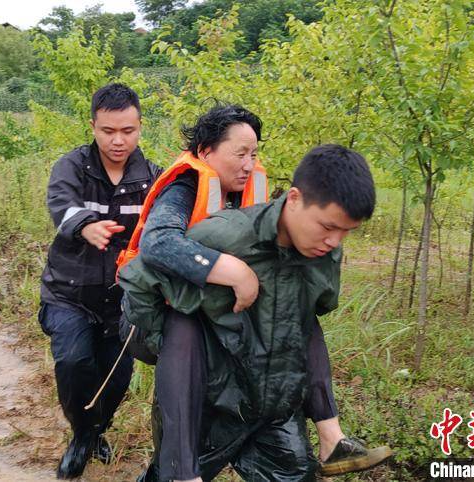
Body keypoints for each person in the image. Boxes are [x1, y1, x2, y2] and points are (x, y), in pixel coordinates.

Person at [117, 106, 387, 482]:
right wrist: (232, 270)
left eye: (254, 154)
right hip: (154, 314)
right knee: (187, 320)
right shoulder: (185, 187)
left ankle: (331, 433)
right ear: (206, 152)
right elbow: (158, 245)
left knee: (298, 311)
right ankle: (183, 471)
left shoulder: (259, 207)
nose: (248, 164)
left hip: (221, 319)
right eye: (239, 154)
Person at [38, 83, 162, 479]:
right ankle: (81, 436)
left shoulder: (154, 179)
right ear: (93, 126)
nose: (118, 140)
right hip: (69, 292)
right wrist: (86, 226)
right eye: (108, 131)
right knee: (74, 364)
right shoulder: (71, 166)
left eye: (128, 130)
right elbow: (62, 204)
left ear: (140, 127)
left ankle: (97, 430)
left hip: (124, 300)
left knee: (116, 379)